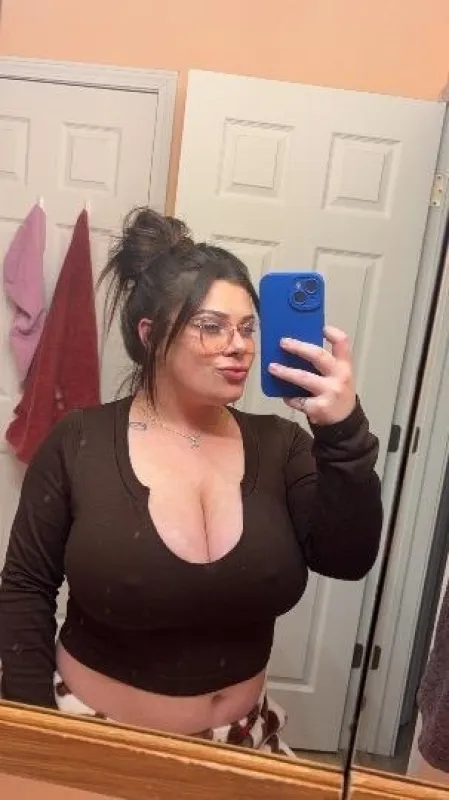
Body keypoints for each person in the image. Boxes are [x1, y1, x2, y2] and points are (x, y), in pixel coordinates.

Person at [0, 208, 383, 754]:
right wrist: (34, 738)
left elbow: (348, 558)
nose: (240, 345)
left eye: (248, 328)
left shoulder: (283, 445)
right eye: (212, 326)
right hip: (91, 735)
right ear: (150, 335)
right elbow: (24, 588)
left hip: (242, 744)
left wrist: (341, 430)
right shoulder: (80, 441)